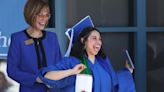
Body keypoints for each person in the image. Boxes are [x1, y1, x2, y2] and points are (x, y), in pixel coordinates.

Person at [39, 26, 136, 92]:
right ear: (83, 40)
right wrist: (72, 72)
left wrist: (127, 72)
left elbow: (114, 82)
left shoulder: (103, 62)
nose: (99, 42)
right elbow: (47, 76)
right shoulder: (72, 62)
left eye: (100, 39)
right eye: (94, 38)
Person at [7, 0, 61, 92]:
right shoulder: (18, 38)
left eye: (47, 15)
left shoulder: (52, 37)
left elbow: (60, 65)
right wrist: (36, 78)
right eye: (40, 15)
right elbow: (12, 70)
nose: (44, 19)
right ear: (31, 15)